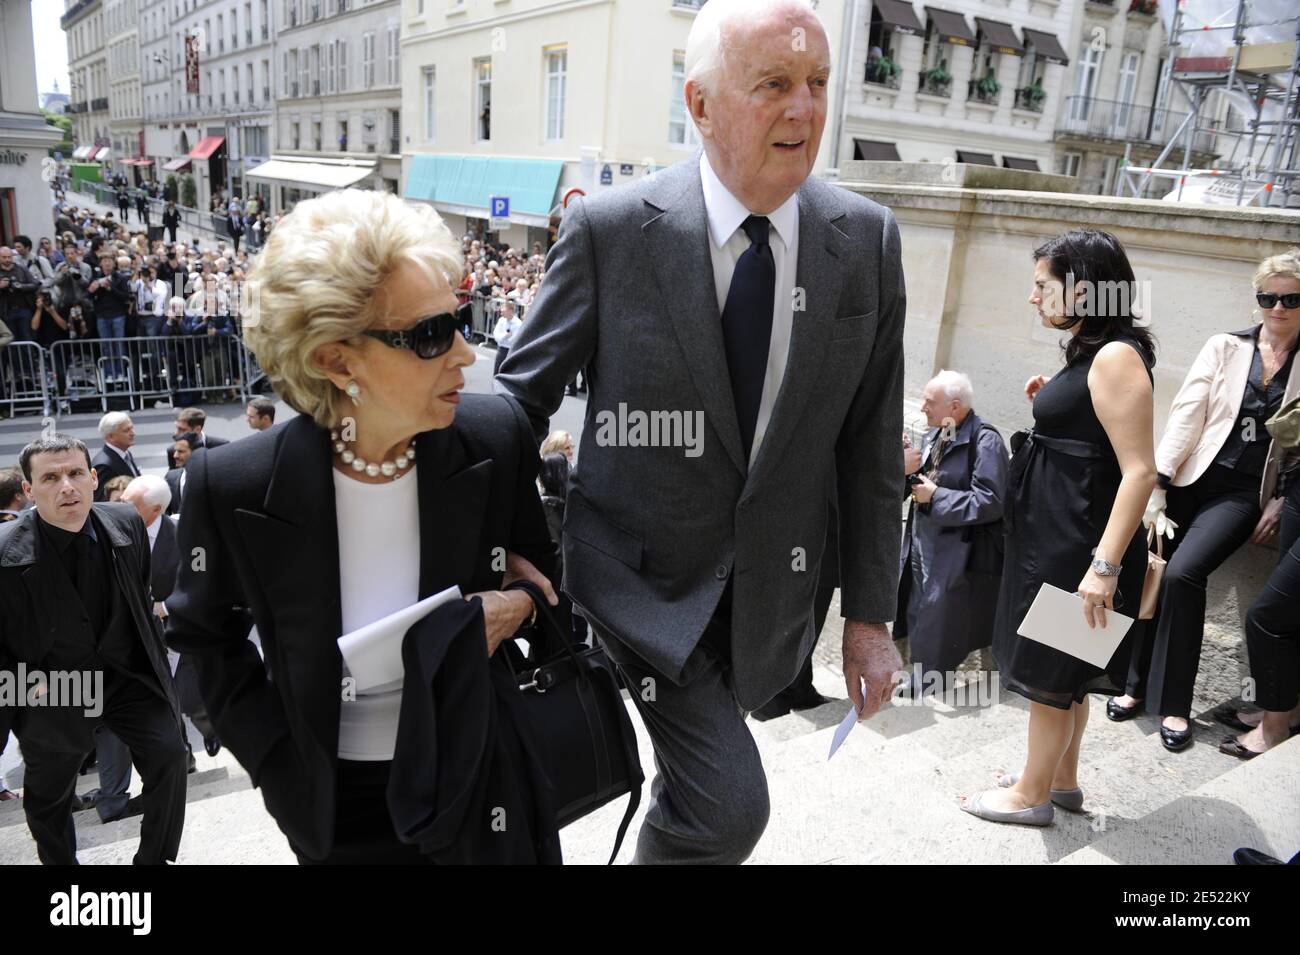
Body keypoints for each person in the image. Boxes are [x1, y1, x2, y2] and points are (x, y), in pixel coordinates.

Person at [495, 0, 906, 863]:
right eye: (775, 85)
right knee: (728, 807)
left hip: (767, 604)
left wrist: (870, 616)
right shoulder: (611, 231)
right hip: (634, 591)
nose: (805, 110)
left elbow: (869, 445)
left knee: (692, 797)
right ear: (702, 104)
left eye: (818, 83)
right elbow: (513, 405)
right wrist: (497, 549)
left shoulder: (865, 239)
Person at [165, 188, 562, 864]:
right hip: (336, 812)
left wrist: (518, 606)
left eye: (459, 320)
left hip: (483, 780)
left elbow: (551, 576)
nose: (466, 353)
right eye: (432, 334)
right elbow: (203, 641)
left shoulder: (494, 437)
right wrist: (279, 768)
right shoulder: (231, 484)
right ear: (336, 359)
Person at [962, 229, 1157, 826]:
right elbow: (1094, 431)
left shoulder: (1115, 355)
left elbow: (1140, 471)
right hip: (1060, 534)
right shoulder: (1096, 350)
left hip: (1078, 546)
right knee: (1067, 676)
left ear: (1082, 289)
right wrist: (1056, 398)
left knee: (1050, 673)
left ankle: (1031, 796)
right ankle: (1060, 780)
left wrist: (1103, 568)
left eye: (1043, 286)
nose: (1032, 298)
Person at [1112, 249, 1300, 750]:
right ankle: (1132, 687)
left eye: (1290, 298)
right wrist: (1158, 482)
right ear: (1256, 299)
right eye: (1268, 297)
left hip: (1242, 494)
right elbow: (1187, 413)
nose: (1277, 307)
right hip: (1189, 477)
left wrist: (1282, 497)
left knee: (1181, 575)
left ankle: (1174, 705)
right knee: (1149, 569)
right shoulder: (1226, 347)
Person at [0, 434, 188, 864]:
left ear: (92, 478)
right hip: (53, 688)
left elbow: (139, 599)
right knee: (50, 798)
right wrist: (26, 691)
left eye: (74, 474)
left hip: (127, 677)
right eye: (50, 477)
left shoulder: (125, 522)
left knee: (170, 757)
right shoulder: (5, 550)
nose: (66, 486)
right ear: (29, 489)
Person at [894, 370, 1009, 693]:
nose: (922, 409)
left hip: (957, 546)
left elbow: (992, 501)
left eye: (930, 402)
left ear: (955, 406)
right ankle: (918, 671)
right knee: (917, 603)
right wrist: (909, 469)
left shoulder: (985, 439)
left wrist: (937, 497)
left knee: (938, 610)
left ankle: (929, 678)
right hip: (922, 535)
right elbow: (930, 480)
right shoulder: (939, 432)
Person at [91, 411, 141, 501]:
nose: (133, 433)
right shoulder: (103, 465)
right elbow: (101, 502)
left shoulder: (125, 453)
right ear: (111, 436)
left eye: (132, 428)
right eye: (126, 430)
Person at [0, 246, 39, 343]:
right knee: (11, 339)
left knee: (27, 337)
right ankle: (15, 359)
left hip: (24, 308)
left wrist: (20, 286)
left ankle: (29, 358)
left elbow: (35, 284)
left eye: (9, 257)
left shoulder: (21, 269)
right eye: (4, 257)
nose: (7, 259)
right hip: (6, 311)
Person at [164, 433, 198, 516]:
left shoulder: (208, 477)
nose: (175, 456)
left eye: (180, 451)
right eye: (175, 451)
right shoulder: (170, 477)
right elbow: (165, 510)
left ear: (195, 452)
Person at [491, 298, 522, 376]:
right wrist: (504, 336)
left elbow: (514, 339)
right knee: (497, 371)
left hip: (511, 351)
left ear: (510, 311)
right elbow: (496, 334)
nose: (501, 313)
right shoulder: (501, 320)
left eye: (503, 311)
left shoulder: (518, 323)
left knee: (508, 372)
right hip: (501, 349)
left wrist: (503, 338)